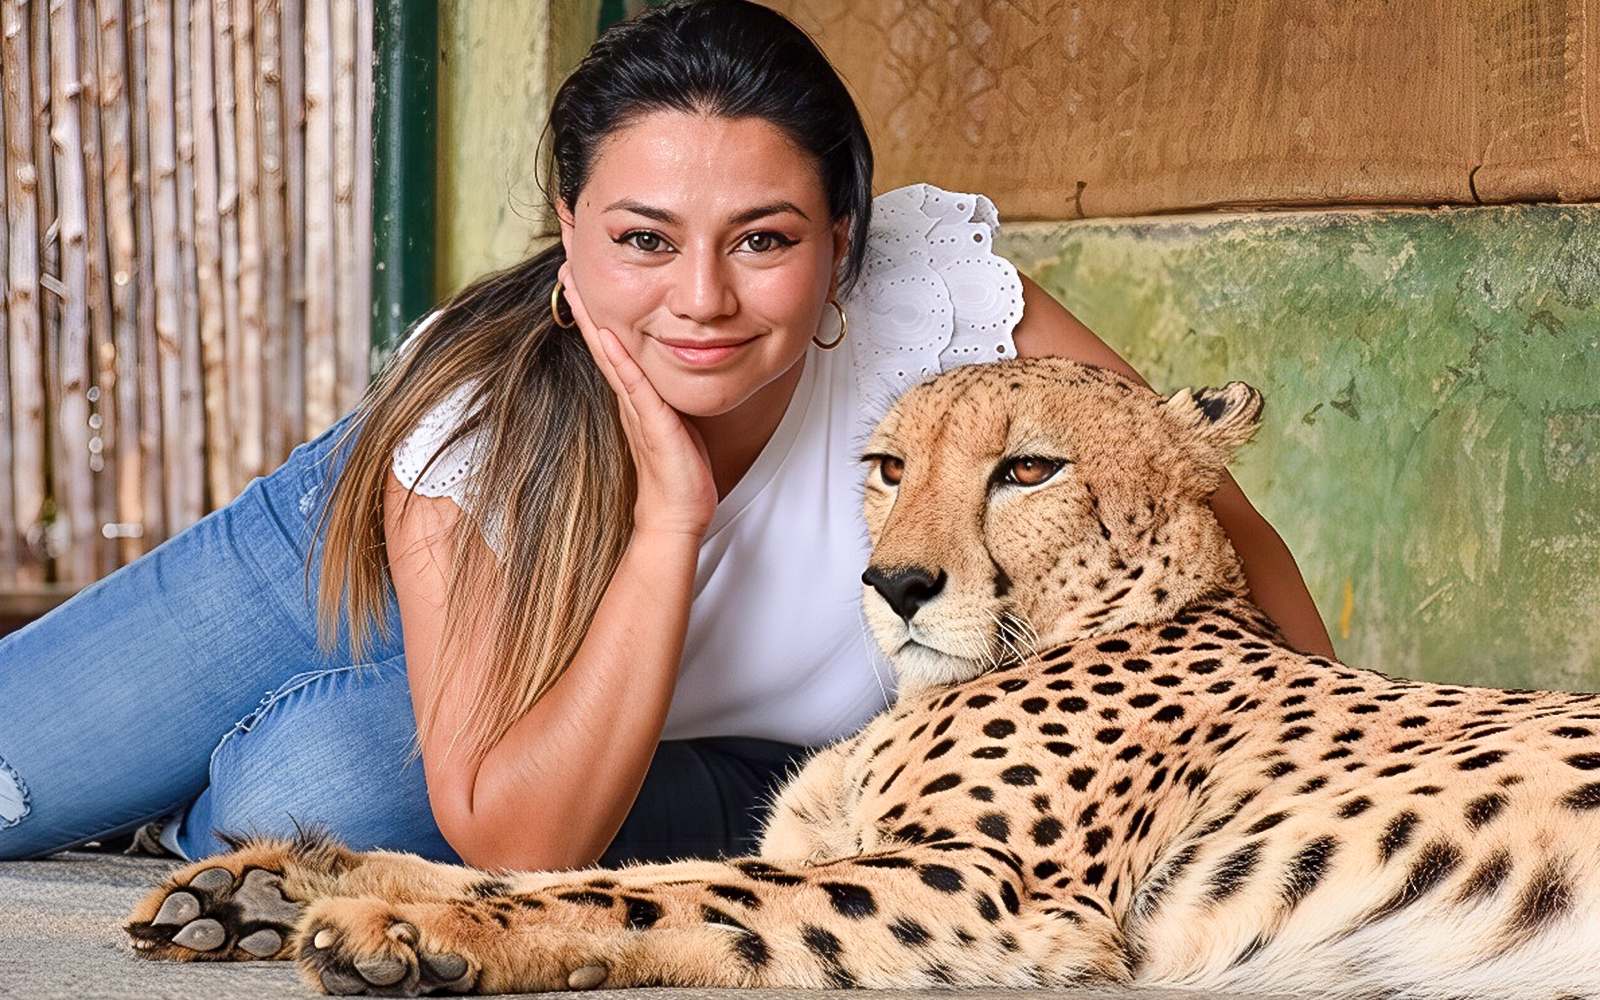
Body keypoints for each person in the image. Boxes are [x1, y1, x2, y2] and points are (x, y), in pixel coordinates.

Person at [0, 0, 1331, 869]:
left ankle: (191, 804)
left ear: (844, 249)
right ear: (569, 233)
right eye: (642, 241)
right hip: (351, 565)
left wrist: (1306, 771)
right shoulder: (482, 418)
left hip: (674, 754)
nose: (701, 301)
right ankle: (155, 763)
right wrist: (670, 516)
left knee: (329, 789)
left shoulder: (934, 308)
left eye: (764, 241)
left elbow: (1207, 518)